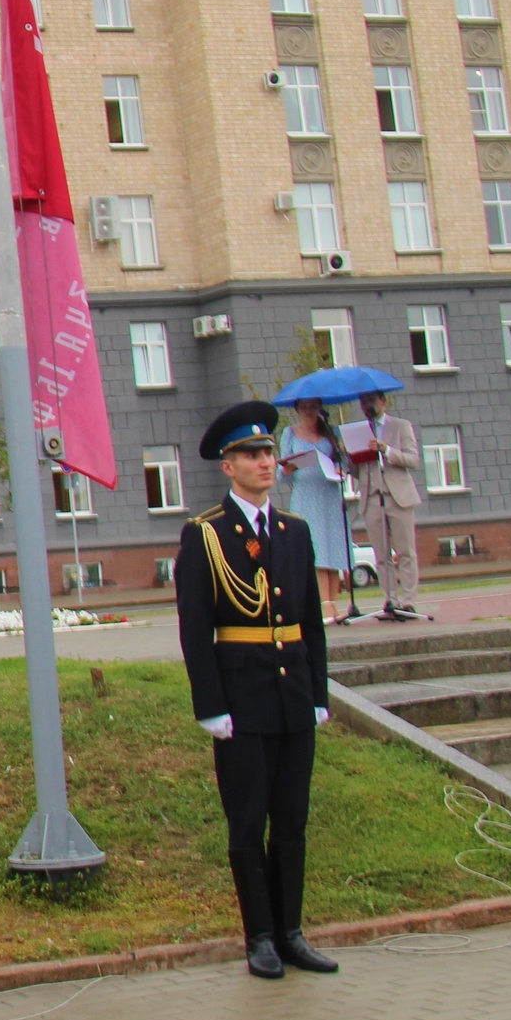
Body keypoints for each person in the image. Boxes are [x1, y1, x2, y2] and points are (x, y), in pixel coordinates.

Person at [174, 401, 336, 981]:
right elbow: (195, 628)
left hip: (292, 698)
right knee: (248, 822)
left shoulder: (294, 532)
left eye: (267, 451)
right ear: (228, 467)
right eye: (251, 454)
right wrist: (211, 706)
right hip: (242, 702)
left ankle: (292, 932)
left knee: (292, 818)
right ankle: (259, 936)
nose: (264, 461)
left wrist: (318, 692)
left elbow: (310, 621)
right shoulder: (206, 536)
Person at [274, 398, 351, 622]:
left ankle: (333, 603)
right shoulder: (290, 433)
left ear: (320, 409)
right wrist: (290, 467)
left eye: (313, 407)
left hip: (330, 493)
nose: (309, 412)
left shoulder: (332, 431)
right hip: (307, 495)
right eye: (304, 408)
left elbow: (345, 465)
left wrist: (342, 462)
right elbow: (281, 473)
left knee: (333, 548)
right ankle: (323, 605)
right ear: (297, 410)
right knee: (315, 548)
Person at [353, 391, 425, 620]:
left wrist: (387, 450)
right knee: (381, 555)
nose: (368, 405)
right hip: (372, 496)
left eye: (372, 400)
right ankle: (390, 601)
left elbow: (413, 460)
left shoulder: (401, 427)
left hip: (398, 496)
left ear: (383, 402)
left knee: (405, 551)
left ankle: (408, 601)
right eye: (364, 401)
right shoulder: (358, 432)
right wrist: (348, 456)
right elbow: (355, 470)